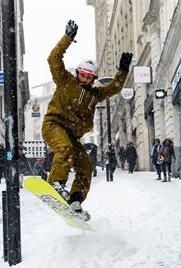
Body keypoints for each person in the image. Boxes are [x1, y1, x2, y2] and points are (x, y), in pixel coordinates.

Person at [41, 20, 132, 220]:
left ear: (94, 79)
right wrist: (68, 38)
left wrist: (123, 70)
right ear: (77, 74)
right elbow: (53, 58)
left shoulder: (95, 95)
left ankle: (75, 199)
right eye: (82, 75)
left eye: (89, 77)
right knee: (63, 148)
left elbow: (115, 88)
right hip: (54, 125)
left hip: (72, 135)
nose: (85, 80)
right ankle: (55, 182)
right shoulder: (65, 81)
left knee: (86, 167)